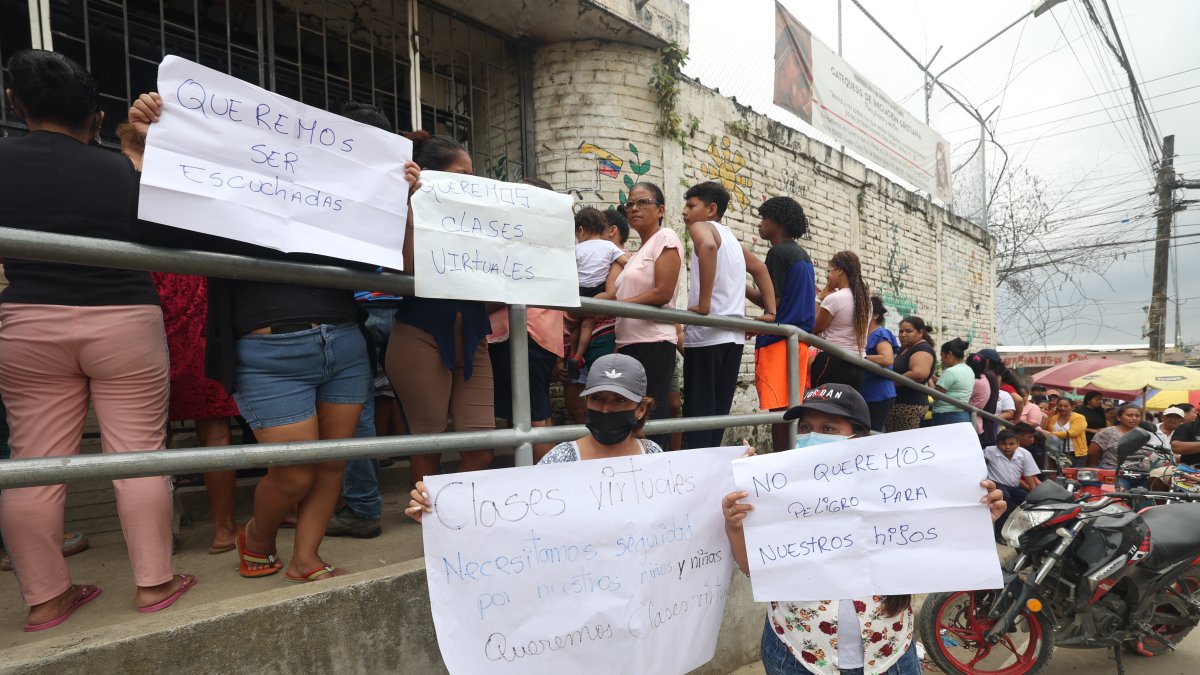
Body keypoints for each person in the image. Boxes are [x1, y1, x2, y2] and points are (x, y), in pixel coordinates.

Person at [129, 91, 419, 583]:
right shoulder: (239, 188)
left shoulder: (349, 204)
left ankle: (306, 558)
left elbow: (406, 267)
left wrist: (404, 201)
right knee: (295, 471)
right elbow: (160, 222)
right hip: (266, 349)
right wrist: (154, 144)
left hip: (345, 343)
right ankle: (258, 538)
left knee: (332, 465)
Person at [0, 51, 195, 630]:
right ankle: (155, 583)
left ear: (15, 101)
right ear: (96, 114)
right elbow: (171, 236)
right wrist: (139, 153)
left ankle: (46, 598)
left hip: (29, 320)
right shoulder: (120, 172)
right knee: (138, 457)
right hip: (124, 318)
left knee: (33, 462)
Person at [721, 383, 1007, 675]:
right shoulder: (779, 495)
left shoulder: (897, 491)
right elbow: (752, 568)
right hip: (797, 653)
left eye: (828, 428)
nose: (810, 436)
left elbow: (937, 548)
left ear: (859, 437)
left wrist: (976, 518)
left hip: (888, 651)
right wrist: (735, 527)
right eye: (805, 427)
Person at [114, 120, 245, 550]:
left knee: (149, 433)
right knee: (213, 425)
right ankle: (224, 529)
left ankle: (160, 537)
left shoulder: (117, 177)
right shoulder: (190, 180)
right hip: (193, 298)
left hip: (140, 301)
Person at [384, 133, 496, 484]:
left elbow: (500, 288)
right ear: (431, 175)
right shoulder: (406, 210)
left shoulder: (479, 222)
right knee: (428, 444)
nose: (471, 183)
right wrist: (413, 204)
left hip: (474, 339)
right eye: (463, 175)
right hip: (420, 336)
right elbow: (403, 269)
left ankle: (445, 506)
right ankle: (429, 521)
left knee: (482, 448)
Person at [327, 101, 405, 540]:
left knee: (356, 411)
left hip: (353, 309)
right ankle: (435, 499)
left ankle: (362, 506)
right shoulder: (404, 184)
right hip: (401, 309)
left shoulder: (327, 183)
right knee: (418, 414)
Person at [681, 181, 776, 449]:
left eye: (691, 206)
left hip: (707, 336)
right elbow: (759, 268)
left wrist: (703, 305)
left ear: (711, 209)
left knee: (699, 413)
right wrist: (770, 312)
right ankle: (712, 471)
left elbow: (708, 248)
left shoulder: (701, 228)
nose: (685, 213)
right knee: (718, 414)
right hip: (732, 339)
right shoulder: (732, 237)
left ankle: (699, 473)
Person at [614, 182, 683, 450]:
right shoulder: (636, 254)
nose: (633, 208)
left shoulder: (665, 238)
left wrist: (621, 307)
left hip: (653, 342)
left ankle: (656, 474)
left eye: (642, 202)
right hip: (629, 344)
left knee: (650, 414)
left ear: (660, 209)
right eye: (629, 204)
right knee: (631, 412)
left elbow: (663, 292)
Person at [748, 196, 816, 452]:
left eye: (764, 218)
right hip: (796, 342)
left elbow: (772, 304)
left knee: (779, 412)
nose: (760, 224)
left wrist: (741, 290)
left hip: (777, 342)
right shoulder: (802, 255)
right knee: (790, 408)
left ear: (777, 222)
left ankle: (781, 461)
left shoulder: (777, 253)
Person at [812, 251, 870, 389]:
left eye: (829, 271)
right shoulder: (866, 301)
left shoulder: (835, 298)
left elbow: (813, 328)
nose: (827, 275)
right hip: (859, 363)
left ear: (839, 271)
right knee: (845, 408)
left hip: (833, 361)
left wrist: (819, 298)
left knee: (822, 406)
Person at [884, 316, 937, 433]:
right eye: (901, 331)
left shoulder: (922, 349)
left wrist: (889, 384)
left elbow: (918, 374)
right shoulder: (905, 348)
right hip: (897, 404)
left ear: (920, 332)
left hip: (909, 406)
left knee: (905, 442)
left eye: (909, 331)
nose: (903, 335)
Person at [984, 430, 1042, 534]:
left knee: (1029, 501)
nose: (1007, 447)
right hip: (997, 484)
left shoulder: (1024, 453)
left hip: (1015, 486)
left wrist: (1033, 493)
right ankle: (1000, 533)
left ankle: (1030, 531)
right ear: (997, 444)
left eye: (1011, 444)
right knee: (1004, 498)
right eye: (1003, 444)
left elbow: (1029, 474)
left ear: (1018, 444)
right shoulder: (989, 451)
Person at [861, 296, 899, 432]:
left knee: (873, 432)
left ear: (875, 315)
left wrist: (862, 357)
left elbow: (887, 359)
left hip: (879, 394)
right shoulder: (863, 335)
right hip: (864, 393)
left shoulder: (880, 333)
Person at [929, 338, 974, 426]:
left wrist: (929, 379)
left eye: (942, 355)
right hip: (962, 415)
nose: (941, 359)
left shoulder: (950, 371)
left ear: (949, 354)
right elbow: (956, 387)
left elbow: (935, 396)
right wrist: (939, 381)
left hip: (945, 416)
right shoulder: (969, 370)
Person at [1090, 404, 1144, 469]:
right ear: (1118, 417)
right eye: (1130, 415)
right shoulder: (1108, 432)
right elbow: (1092, 453)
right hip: (1113, 472)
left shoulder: (1143, 433)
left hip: (1140, 473)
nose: (1134, 418)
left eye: (1137, 416)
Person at [1038, 398, 1088, 467]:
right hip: (1056, 452)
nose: (1062, 408)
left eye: (1066, 406)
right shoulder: (1053, 418)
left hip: (1076, 453)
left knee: (1073, 474)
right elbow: (1044, 430)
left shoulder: (1079, 418)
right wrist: (1048, 417)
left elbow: (1073, 433)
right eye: (1060, 406)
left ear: (1072, 407)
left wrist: (1051, 434)